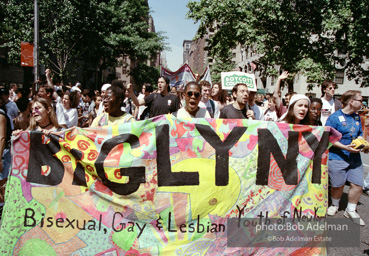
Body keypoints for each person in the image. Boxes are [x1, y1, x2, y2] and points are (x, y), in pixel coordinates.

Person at [325, 90, 366, 226]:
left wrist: (362, 142)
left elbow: (359, 133)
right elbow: (329, 138)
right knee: (338, 184)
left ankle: (351, 209)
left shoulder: (356, 117)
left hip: (355, 158)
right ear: (351, 102)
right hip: (337, 156)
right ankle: (335, 205)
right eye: (360, 100)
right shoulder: (334, 117)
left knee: (358, 184)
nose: (362, 103)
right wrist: (345, 147)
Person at [0, 97, 13, 219]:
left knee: (2, 186)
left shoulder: (1, 115)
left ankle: (5, 215)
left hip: (2, 155)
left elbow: (2, 138)